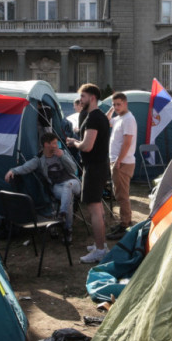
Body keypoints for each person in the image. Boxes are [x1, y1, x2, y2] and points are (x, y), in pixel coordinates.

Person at [4, 133, 80, 241]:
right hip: (57, 187)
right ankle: (67, 230)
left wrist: (62, 156)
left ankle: (62, 215)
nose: (56, 145)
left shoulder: (62, 152)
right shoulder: (39, 159)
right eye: (54, 143)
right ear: (46, 144)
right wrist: (12, 171)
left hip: (73, 183)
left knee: (68, 186)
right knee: (68, 199)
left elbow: (73, 169)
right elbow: (26, 167)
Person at [66, 83, 110, 263]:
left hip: (95, 168)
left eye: (83, 97)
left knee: (94, 209)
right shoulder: (97, 116)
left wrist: (74, 143)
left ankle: (100, 250)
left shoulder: (94, 118)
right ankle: (101, 244)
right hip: (98, 166)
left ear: (92, 98)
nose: (80, 100)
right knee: (97, 208)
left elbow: (87, 145)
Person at [106, 92, 137, 241]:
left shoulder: (129, 119)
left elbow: (127, 142)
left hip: (123, 162)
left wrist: (119, 160)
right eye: (114, 104)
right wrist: (112, 110)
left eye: (119, 104)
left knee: (122, 195)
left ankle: (125, 225)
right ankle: (123, 222)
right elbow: (106, 121)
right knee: (118, 193)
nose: (116, 107)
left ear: (125, 103)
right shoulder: (119, 118)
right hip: (118, 161)